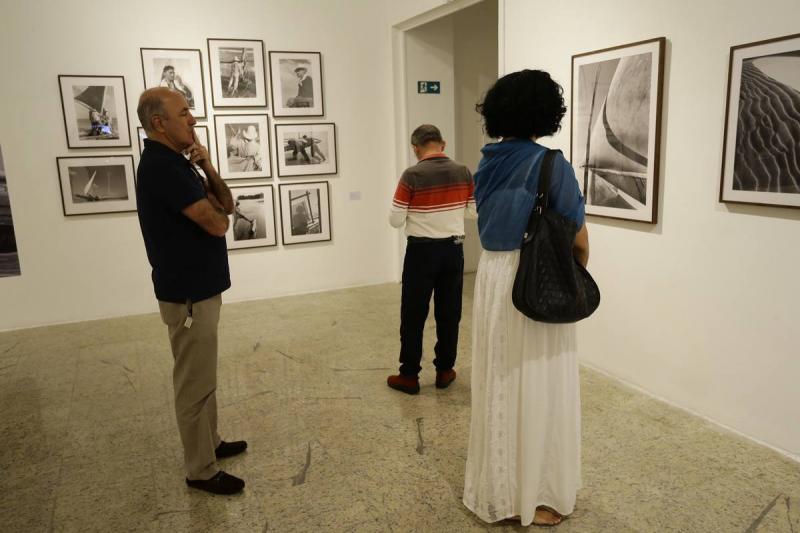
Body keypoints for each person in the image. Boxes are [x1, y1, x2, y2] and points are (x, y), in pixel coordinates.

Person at [462, 70, 589, 527]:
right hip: (536, 277)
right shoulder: (551, 163)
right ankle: (539, 495)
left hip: (494, 276)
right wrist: (574, 276)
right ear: (547, 113)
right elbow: (578, 240)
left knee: (500, 379)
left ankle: (501, 491)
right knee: (540, 380)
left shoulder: (486, 163)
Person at [135, 87, 247, 495]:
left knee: (203, 372)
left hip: (200, 286)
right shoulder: (161, 167)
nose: (193, 120)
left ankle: (210, 443)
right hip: (187, 293)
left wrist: (208, 166)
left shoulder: (179, 163)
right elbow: (219, 224)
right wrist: (214, 208)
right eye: (184, 113)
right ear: (159, 123)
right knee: (193, 381)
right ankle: (199, 470)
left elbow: (226, 206)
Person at [386, 124, 476, 394]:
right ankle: (445, 370)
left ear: (415, 148)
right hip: (453, 250)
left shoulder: (412, 175)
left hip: (421, 253)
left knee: (413, 314)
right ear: (443, 144)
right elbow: (473, 213)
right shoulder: (463, 172)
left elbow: (395, 220)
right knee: (449, 313)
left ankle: (409, 375)